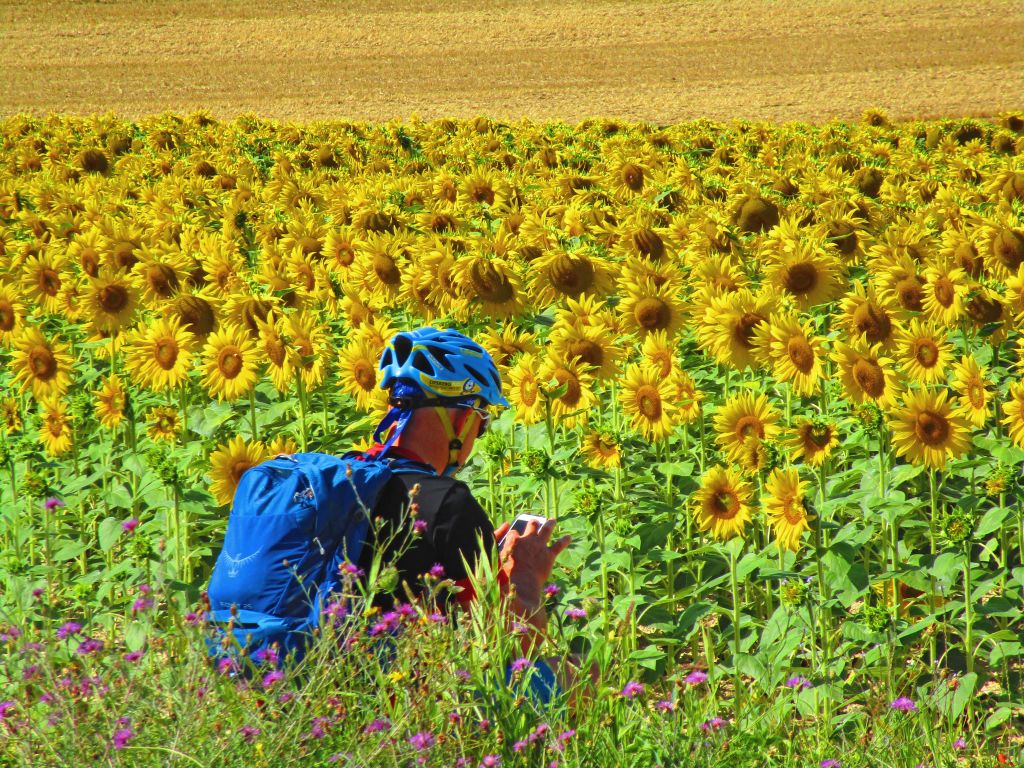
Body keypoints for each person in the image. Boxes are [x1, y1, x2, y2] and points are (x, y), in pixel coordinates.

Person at [352, 327, 575, 698]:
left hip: (288, 680)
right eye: (482, 424)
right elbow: (514, 644)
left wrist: (484, 564)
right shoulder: (448, 503)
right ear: (462, 420)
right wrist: (525, 575)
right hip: (395, 703)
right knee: (582, 673)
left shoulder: (343, 478)